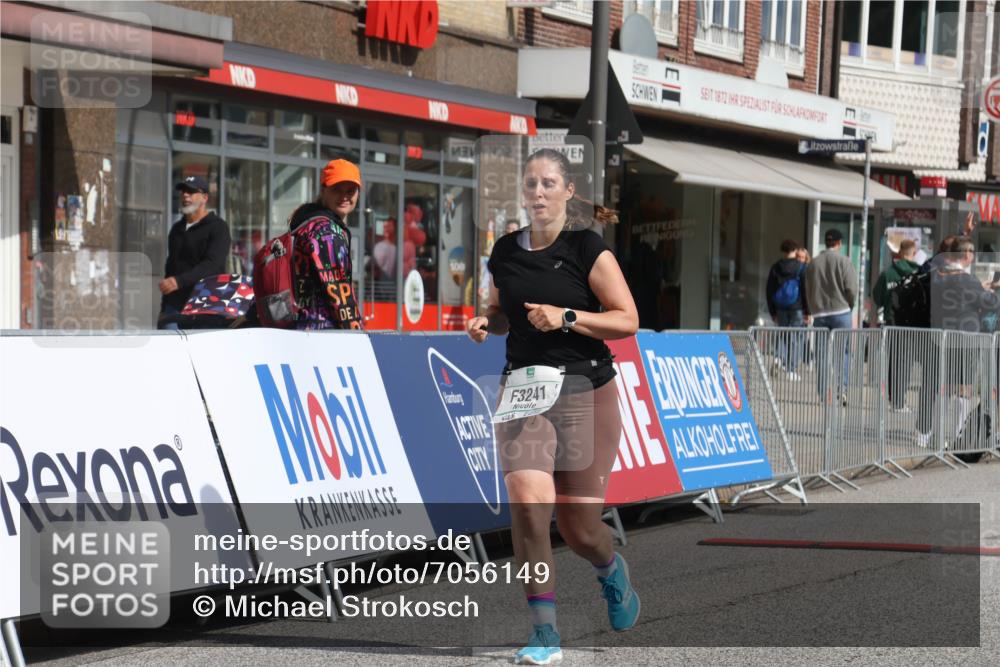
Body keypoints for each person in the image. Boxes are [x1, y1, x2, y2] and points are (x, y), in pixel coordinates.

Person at [466, 148, 640, 665]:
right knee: (527, 506)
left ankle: (611, 571)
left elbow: (627, 320)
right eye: (530, 184)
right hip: (523, 388)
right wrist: (485, 322)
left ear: (567, 191)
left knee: (579, 528)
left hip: (586, 389)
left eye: (548, 184)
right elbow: (500, 312)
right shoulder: (504, 251)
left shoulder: (587, 248)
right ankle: (545, 633)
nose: (537, 193)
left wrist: (566, 316)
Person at [917, 237, 1000, 447]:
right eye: (971, 252)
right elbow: (989, 302)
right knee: (964, 388)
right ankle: (957, 435)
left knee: (940, 385)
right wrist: (991, 291)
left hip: (939, 337)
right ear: (966, 255)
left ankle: (931, 434)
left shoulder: (937, 275)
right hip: (965, 339)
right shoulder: (966, 279)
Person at [287, 159, 363, 330]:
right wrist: (357, 332)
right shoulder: (327, 231)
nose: (344, 196)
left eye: (350, 190)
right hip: (320, 332)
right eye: (337, 189)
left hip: (298, 327)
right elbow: (338, 293)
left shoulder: (307, 220)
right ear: (323, 190)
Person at [159, 175, 231, 329]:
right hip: (175, 307)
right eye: (183, 191)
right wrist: (164, 308)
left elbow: (212, 265)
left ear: (204, 197)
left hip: (206, 306)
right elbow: (170, 268)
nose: (185, 195)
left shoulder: (218, 228)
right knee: (171, 351)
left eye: (191, 191)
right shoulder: (176, 229)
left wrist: (179, 281)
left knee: (204, 352)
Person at [803, 229, 858, 403]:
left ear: (826, 242)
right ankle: (842, 389)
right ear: (839, 243)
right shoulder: (844, 261)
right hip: (841, 312)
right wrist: (850, 304)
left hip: (820, 314)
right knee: (843, 353)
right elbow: (851, 288)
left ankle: (823, 393)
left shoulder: (813, 263)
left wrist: (811, 310)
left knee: (821, 355)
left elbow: (807, 289)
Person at [873, 239, 921, 411]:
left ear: (900, 252)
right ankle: (900, 401)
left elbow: (877, 296)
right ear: (913, 253)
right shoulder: (917, 272)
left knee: (894, 361)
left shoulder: (887, 273)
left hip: (891, 321)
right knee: (906, 363)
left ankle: (895, 399)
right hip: (911, 323)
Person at [766, 239, 809, 381]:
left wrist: (772, 311)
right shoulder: (801, 267)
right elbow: (805, 290)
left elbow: (769, 290)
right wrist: (807, 311)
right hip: (796, 307)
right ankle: (790, 369)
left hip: (780, 307)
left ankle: (778, 358)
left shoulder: (776, 267)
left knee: (783, 334)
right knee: (795, 338)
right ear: (795, 251)